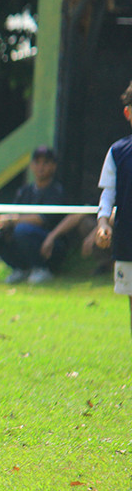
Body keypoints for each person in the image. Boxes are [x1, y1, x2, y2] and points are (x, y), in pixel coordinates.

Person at [0, 146, 68, 284]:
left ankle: (42, 269)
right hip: (23, 238)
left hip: (51, 244)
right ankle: (19, 268)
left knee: (22, 230)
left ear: (53, 166)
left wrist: (11, 220)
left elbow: (41, 219)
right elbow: (13, 213)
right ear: (31, 166)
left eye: (46, 163)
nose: (41, 167)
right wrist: (0, 222)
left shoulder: (57, 191)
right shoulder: (24, 191)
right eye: (37, 162)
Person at [94, 80, 132, 336]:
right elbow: (108, 194)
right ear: (128, 113)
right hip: (128, 240)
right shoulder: (118, 152)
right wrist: (103, 223)